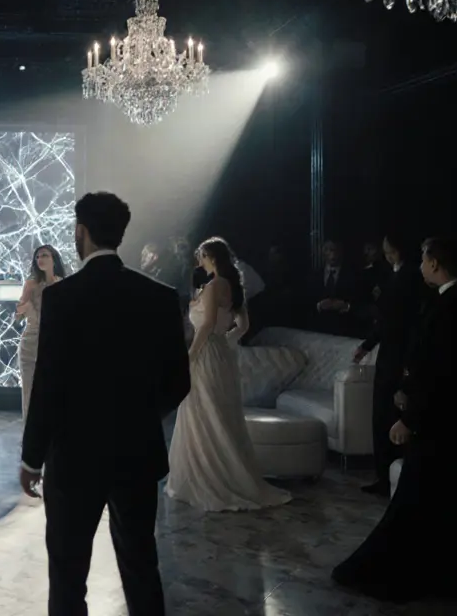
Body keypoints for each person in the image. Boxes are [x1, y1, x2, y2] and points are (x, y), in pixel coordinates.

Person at [19, 192, 191, 616]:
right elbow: (179, 381)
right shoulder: (159, 296)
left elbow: (48, 385)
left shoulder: (63, 298)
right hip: (136, 451)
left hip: (74, 455)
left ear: (81, 233)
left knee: (68, 573)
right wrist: (140, 415)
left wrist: (31, 458)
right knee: (140, 566)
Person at [333, 238, 457, 606]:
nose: (419, 265)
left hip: (439, 424)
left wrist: (410, 418)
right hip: (454, 422)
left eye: (423, 259)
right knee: (454, 502)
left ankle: (410, 575)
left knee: (419, 500)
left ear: (436, 263)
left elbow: (443, 371)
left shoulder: (451, 306)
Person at [165, 238, 292, 512]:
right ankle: (224, 472)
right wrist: (225, 342)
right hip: (221, 355)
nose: (198, 258)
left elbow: (207, 324)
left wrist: (192, 355)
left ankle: (211, 478)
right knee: (218, 413)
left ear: (210, 256)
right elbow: (244, 325)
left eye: (201, 254)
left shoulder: (213, 286)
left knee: (205, 412)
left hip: (206, 355)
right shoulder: (232, 286)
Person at [353, 235, 425, 495]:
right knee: (384, 417)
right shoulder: (395, 275)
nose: (386, 256)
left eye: (390, 252)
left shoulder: (408, 279)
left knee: (390, 416)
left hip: (398, 357)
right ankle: (386, 477)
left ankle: (391, 478)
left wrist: (369, 343)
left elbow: (392, 320)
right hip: (391, 354)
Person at [16, 244, 68, 417]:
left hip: (54, 342)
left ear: (54, 259)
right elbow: (18, 316)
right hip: (31, 341)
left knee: (54, 392)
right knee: (29, 392)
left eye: (44, 255)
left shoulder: (63, 284)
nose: (40, 259)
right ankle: (29, 436)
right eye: (37, 257)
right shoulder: (31, 284)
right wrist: (25, 309)